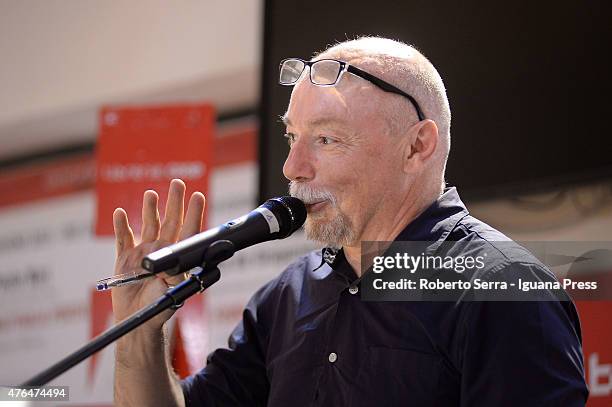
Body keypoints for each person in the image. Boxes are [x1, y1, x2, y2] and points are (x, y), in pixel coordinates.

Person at [112, 37, 588, 406]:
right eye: (292, 137)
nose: (292, 167)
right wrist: (138, 335)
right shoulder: (286, 297)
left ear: (417, 146)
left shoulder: (502, 285)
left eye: (326, 140)